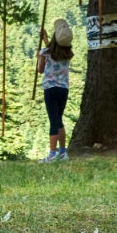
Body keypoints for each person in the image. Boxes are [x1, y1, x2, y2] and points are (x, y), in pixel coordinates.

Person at [37, 18, 75, 163]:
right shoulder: (68, 53)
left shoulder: (45, 52)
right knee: (59, 120)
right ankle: (62, 152)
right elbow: (55, 52)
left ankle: (52, 154)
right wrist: (45, 40)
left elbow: (40, 70)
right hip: (63, 89)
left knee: (53, 121)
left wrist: (39, 57)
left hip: (50, 89)